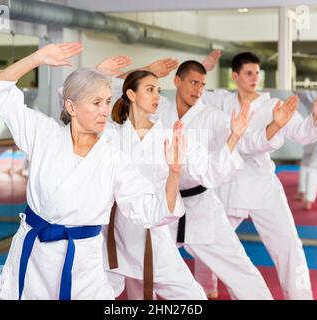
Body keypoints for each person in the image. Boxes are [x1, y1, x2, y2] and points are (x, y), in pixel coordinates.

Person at [0, 42, 183, 300]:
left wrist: (174, 173)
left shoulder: (114, 159)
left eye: (108, 101)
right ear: (71, 107)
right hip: (33, 257)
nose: (104, 110)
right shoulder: (44, 134)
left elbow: (150, 211)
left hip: (82, 263)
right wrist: (37, 58)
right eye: (96, 102)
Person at [102, 64, 255, 299]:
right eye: (150, 89)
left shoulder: (170, 136)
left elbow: (209, 171)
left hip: (155, 227)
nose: (157, 96)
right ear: (131, 95)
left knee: (191, 295)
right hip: (118, 230)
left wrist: (234, 136)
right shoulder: (111, 134)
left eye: (158, 91)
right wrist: (101, 72)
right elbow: (75, 113)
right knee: (109, 292)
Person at [199, 51, 317, 300]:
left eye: (257, 73)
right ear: (235, 76)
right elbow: (194, 93)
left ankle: (300, 296)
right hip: (229, 183)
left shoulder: (274, 106)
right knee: (209, 240)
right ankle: (206, 289)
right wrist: (203, 68)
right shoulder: (221, 101)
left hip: (263, 184)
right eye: (249, 73)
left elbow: (303, 134)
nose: (254, 78)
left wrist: (315, 117)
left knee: (289, 245)